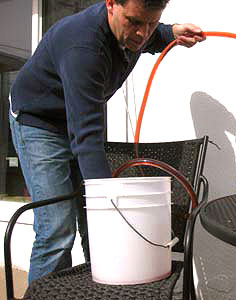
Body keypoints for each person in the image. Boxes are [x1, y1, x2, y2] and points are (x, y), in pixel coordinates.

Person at [9, 0, 205, 284]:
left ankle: (98, 285)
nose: (142, 33)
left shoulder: (136, 29)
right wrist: (113, 209)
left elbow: (151, 34)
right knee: (57, 228)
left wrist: (171, 32)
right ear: (111, 4)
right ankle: (47, 291)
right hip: (39, 122)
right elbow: (86, 137)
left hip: (77, 116)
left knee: (93, 224)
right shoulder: (83, 47)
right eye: (135, 22)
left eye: (151, 23)